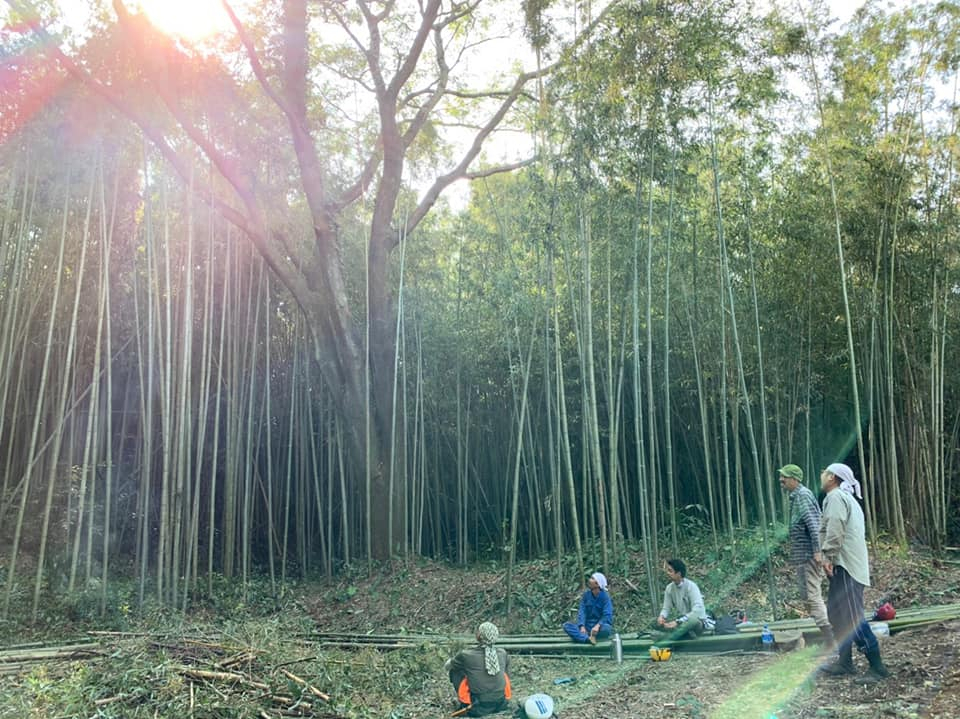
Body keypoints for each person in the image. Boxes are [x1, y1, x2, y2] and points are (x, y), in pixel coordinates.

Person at [818, 464, 890, 680]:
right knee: (837, 614)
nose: (821, 475)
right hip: (846, 566)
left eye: (824, 472)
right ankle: (845, 662)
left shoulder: (836, 497)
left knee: (851, 618)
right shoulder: (845, 498)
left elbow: (835, 526)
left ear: (832, 477)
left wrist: (828, 556)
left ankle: (877, 667)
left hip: (847, 567)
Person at [778, 464, 834, 649]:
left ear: (795, 479)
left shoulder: (803, 496)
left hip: (810, 555)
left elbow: (814, 523)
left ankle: (830, 640)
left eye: (784, 477)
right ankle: (828, 634)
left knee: (812, 596)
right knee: (807, 596)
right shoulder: (796, 497)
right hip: (803, 556)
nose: (781, 480)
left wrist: (818, 551)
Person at [446, 621, 512, 716]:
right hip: (501, 703)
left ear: (478, 636)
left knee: (455, 670)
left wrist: (454, 660)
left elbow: (447, 666)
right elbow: (506, 674)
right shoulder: (503, 653)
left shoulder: (466, 655)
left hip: (478, 705)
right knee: (502, 671)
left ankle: (465, 701)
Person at [656, 559, 706, 639]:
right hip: (681, 621)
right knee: (654, 622)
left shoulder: (691, 586)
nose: (667, 573)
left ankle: (675, 634)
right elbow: (666, 608)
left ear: (678, 574)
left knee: (693, 621)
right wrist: (662, 617)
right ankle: (683, 634)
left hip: (695, 622)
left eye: (670, 571)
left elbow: (697, 611)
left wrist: (678, 622)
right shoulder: (669, 588)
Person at [562, 572, 614, 644]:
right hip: (587, 626)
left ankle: (583, 637)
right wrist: (582, 626)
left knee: (607, 629)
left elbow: (607, 615)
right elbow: (582, 612)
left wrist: (598, 626)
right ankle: (587, 639)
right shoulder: (586, 595)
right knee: (567, 626)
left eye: (592, 578)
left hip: (598, 628)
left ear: (597, 584)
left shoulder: (605, 597)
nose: (589, 580)